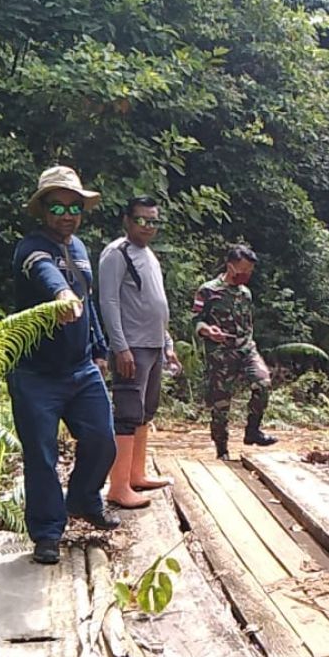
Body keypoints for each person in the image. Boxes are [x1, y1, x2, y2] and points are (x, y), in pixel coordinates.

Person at [8, 165, 121, 566]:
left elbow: (86, 301)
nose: (67, 215)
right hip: (35, 374)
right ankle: (47, 533)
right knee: (41, 456)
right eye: (57, 208)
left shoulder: (79, 248)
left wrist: (99, 347)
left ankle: (84, 500)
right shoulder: (30, 248)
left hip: (80, 368)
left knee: (102, 439)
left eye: (74, 207)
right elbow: (47, 274)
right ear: (42, 210)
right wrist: (60, 296)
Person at [98, 195, 181, 508]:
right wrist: (120, 346)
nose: (148, 226)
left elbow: (157, 303)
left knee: (146, 411)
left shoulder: (148, 255)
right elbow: (109, 302)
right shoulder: (116, 254)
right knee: (128, 413)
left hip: (154, 345)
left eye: (153, 221)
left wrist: (168, 344)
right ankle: (118, 487)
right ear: (127, 221)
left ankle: (137, 474)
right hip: (131, 346)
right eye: (142, 220)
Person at [192, 245, 278, 459]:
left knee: (263, 382)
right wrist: (208, 331)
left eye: (250, 271)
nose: (247, 275)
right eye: (243, 270)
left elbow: (248, 323)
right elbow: (195, 320)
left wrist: (248, 342)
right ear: (230, 266)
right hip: (221, 354)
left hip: (246, 349)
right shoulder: (208, 291)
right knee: (221, 404)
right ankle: (222, 449)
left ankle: (253, 431)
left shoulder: (245, 294)